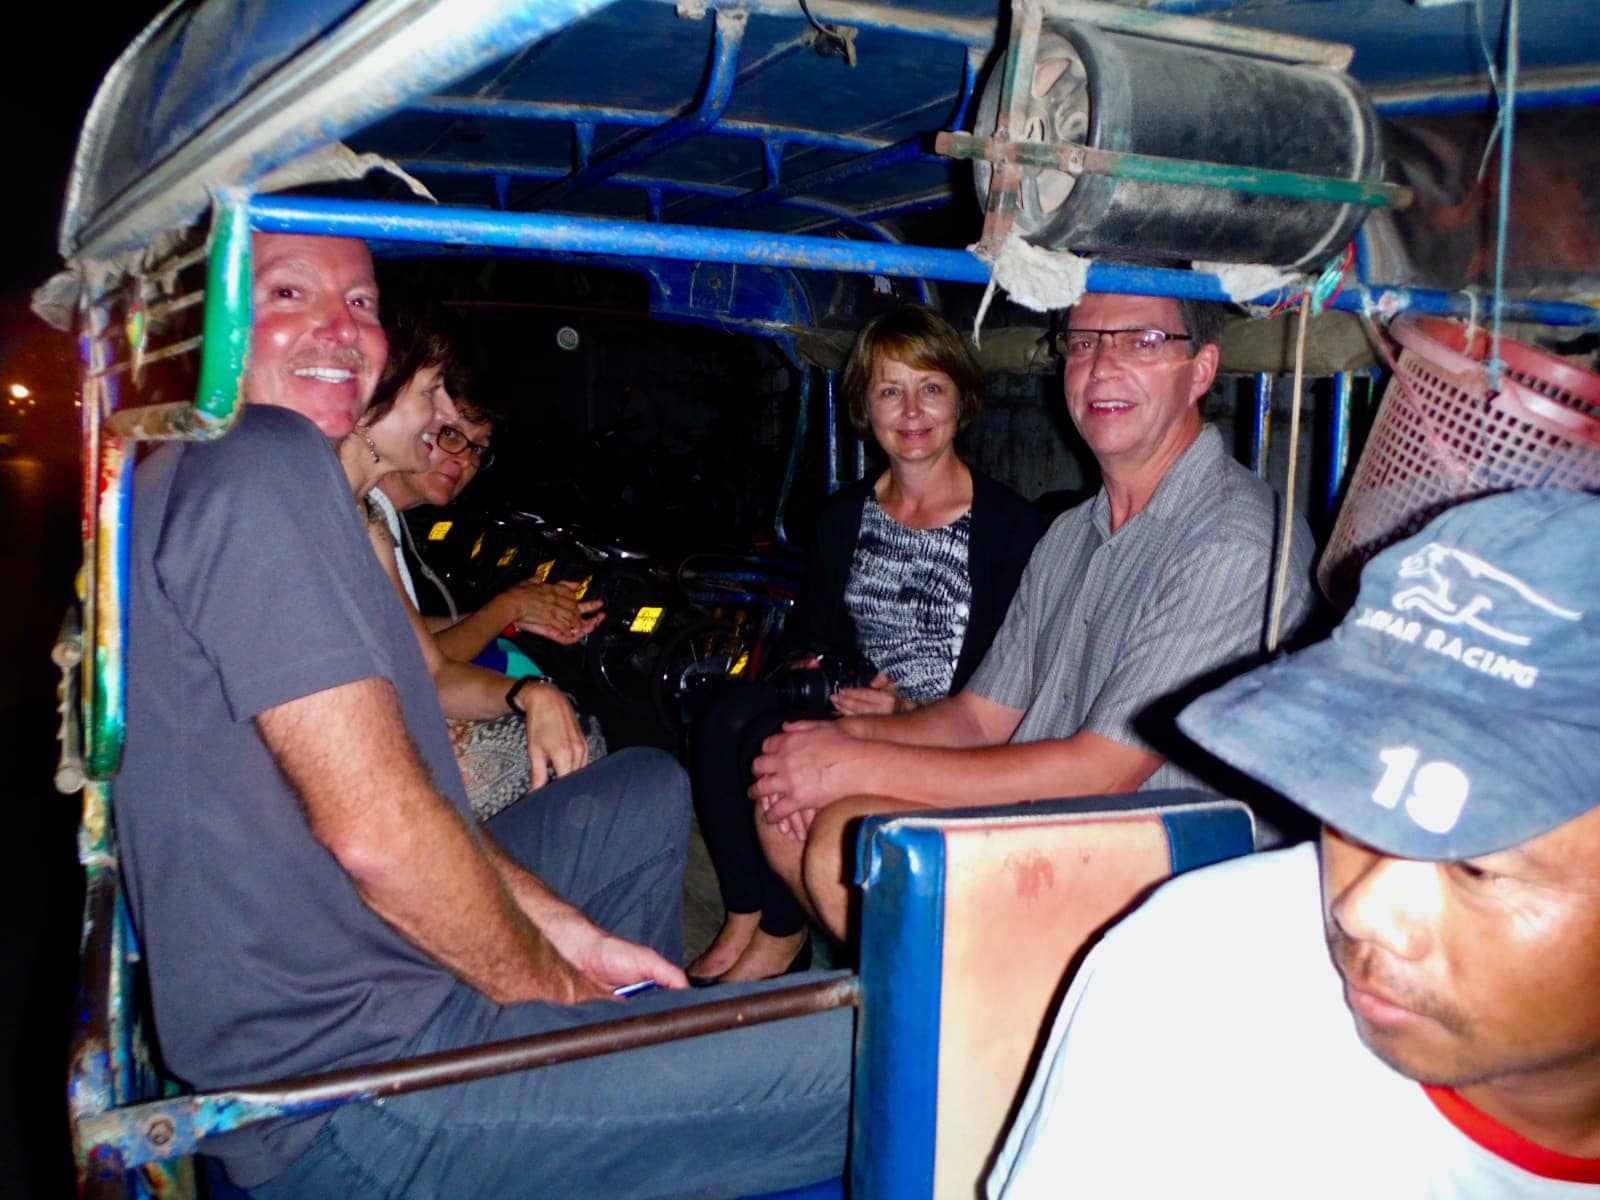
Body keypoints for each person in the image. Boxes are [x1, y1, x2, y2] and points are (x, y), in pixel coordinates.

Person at [115, 231, 850, 1198]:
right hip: (357, 1090)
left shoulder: (234, 473)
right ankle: (602, 1090)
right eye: (289, 291)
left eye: (363, 302)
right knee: (879, 1047)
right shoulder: (264, 460)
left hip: (354, 1003)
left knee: (634, 790)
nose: (342, 328)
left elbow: (407, 799)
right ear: (215, 321)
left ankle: (615, 1128)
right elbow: (380, 833)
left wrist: (571, 939)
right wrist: (561, 1000)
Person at [991, 488, 1600, 1198]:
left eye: (1477, 863)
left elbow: (1094, 765)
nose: (1361, 908)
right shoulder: (1199, 979)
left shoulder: (1228, 540)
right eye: (1353, 799)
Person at [752, 290, 1316, 938]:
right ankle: (963, 1011)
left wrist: (856, 765)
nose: (1102, 367)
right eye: (1083, 343)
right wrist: (844, 741)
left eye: (1140, 341)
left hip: (1164, 864)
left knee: (844, 841)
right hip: (1058, 820)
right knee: (786, 806)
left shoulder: (1231, 541)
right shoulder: (1071, 533)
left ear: (1202, 370)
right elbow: (978, 717)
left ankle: (988, 1016)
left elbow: (1101, 775)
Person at [688, 305, 1042, 983]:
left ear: (963, 401)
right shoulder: (842, 516)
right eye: (889, 390)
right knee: (729, 714)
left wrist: (907, 710)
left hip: (948, 729)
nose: (911, 410)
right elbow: (810, 636)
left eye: (930, 388)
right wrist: (822, 668)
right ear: (865, 408)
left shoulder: (1009, 525)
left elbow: (1006, 682)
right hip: (858, 707)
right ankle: (747, 921)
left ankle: (779, 934)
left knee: (762, 736)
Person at [370, 303, 604, 660]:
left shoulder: (381, 517)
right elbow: (417, 668)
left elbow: (404, 634)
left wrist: (517, 616)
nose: (465, 459)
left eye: (478, 449)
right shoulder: (355, 512)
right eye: (450, 434)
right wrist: (508, 608)